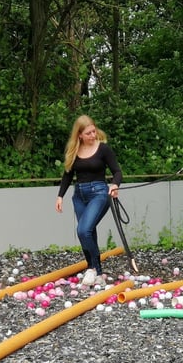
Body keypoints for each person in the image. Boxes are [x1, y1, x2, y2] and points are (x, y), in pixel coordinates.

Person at [55, 115, 123, 286]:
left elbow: (117, 172)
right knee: (88, 232)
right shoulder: (74, 151)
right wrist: (60, 196)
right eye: (88, 133)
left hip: (99, 193)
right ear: (79, 135)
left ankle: (91, 269)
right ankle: (98, 274)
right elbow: (67, 175)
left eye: (94, 131)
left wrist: (114, 185)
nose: (93, 135)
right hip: (79, 195)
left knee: (83, 230)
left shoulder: (103, 149)